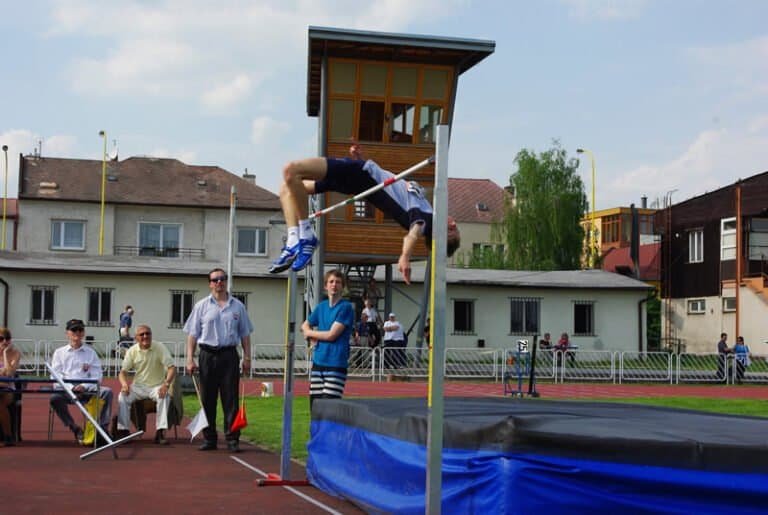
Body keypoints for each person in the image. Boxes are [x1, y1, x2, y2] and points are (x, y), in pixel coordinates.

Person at [269, 143, 461, 283]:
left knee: (290, 171)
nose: (453, 224)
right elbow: (389, 187)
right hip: (360, 179)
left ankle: (306, 235)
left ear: (441, 235)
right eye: (456, 228)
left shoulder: (425, 220)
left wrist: (405, 257)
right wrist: (362, 159)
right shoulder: (427, 209)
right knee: (287, 188)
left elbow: (412, 235)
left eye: (452, 231)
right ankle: (295, 238)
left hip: (360, 176)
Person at [184, 268, 253, 452]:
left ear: (226, 281)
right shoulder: (201, 306)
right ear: (210, 283)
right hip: (207, 355)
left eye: (222, 279)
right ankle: (210, 438)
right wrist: (190, 359)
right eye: (215, 280)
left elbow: (245, 334)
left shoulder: (238, 306)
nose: (219, 282)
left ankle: (232, 439)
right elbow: (192, 334)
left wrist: (247, 357)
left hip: (229, 355)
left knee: (230, 399)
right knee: (207, 399)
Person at [49, 319, 113, 444]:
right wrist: (70, 388)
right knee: (54, 399)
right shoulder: (59, 353)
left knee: (107, 392)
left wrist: (84, 386)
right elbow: (55, 376)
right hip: (66, 390)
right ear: (67, 333)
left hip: (86, 390)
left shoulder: (90, 353)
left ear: (83, 333)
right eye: (74, 330)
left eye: (80, 330)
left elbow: (97, 374)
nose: (77, 333)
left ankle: (102, 429)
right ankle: (74, 428)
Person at [116, 324, 176, 445]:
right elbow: (122, 372)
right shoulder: (132, 351)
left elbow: (172, 368)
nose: (145, 336)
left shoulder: (159, 347)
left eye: (148, 333)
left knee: (164, 396)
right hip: (138, 387)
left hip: (156, 386)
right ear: (136, 337)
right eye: (142, 334)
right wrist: (124, 384)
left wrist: (166, 384)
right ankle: (123, 432)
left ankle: (160, 432)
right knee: (122, 396)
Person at [302, 269, 354, 409]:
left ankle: (330, 432)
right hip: (318, 362)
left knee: (329, 407)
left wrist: (311, 334)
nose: (334, 285)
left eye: (338, 282)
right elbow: (305, 324)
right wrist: (307, 331)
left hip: (335, 363)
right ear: (326, 286)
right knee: (315, 406)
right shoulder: (321, 307)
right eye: (331, 282)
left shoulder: (346, 308)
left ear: (342, 286)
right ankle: (315, 432)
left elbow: (332, 335)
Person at [0, 327, 20, 446]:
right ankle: (8, 436)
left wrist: (5, 354)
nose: (4, 342)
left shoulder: (15, 353)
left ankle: (8, 436)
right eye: (1, 339)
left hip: (7, 389)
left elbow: (9, 373)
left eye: (7, 338)